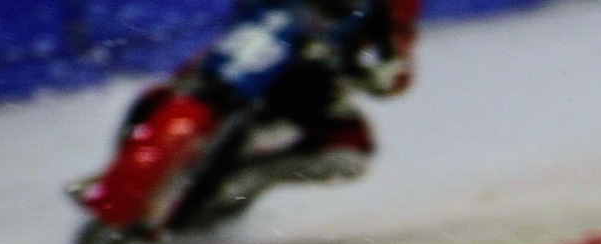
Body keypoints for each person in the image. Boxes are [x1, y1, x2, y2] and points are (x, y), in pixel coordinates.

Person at [131, 0, 419, 186]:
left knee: (348, 155)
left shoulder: (393, 7)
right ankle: (128, 152)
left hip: (308, 81)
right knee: (173, 90)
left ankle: (247, 179)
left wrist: (380, 74)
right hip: (250, 50)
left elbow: (397, 58)